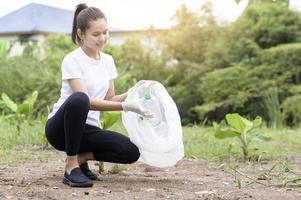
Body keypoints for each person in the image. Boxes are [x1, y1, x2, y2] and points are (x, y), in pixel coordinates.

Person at [45, 3, 152, 188]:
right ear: (80, 34)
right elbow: (85, 101)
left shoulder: (108, 61)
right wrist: (125, 107)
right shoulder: (72, 60)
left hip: (88, 130)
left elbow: (109, 99)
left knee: (131, 151)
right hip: (61, 129)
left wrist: (133, 93)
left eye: (105, 32)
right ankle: (71, 167)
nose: (102, 38)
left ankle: (81, 158)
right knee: (80, 99)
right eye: (96, 34)